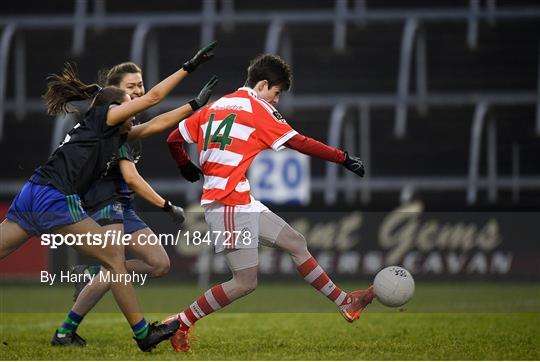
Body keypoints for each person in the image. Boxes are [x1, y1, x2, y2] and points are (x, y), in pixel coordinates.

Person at [0, 41, 217, 352]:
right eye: (130, 98)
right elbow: (154, 98)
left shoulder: (110, 133)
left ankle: (95, 310)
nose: (137, 105)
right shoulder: (106, 115)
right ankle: (143, 334)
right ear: (115, 105)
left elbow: (155, 124)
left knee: (113, 262)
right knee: (115, 261)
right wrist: (189, 67)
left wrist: (195, 105)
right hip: (55, 197)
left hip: (32, 191)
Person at [164, 54, 374, 352]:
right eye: (276, 93)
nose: (275, 102)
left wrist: (185, 165)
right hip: (227, 204)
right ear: (262, 85)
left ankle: (345, 303)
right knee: (245, 282)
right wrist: (343, 158)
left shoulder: (216, 106)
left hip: (239, 199)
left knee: (295, 241)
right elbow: (298, 141)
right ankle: (181, 322)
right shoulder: (257, 108)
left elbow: (174, 138)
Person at [51, 61, 192, 347]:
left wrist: (195, 104)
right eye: (132, 87)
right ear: (115, 93)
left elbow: (154, 124)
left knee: (159, 264)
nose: (139, 91)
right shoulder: (111, 122)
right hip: (103, 203)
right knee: (115, 267)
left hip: (121, 206)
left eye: (140, 84)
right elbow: (132, 177)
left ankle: (85, 288)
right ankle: (130, 333)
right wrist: (167, 207)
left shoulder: (123, 121)